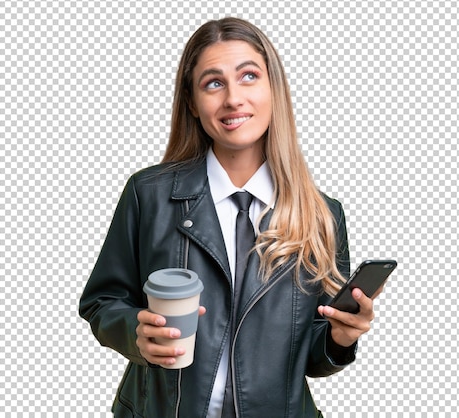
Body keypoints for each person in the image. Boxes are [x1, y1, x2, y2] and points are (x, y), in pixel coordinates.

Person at [79, 17, 383, 418]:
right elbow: (102, 302)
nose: (233, 99)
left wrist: (339, 339)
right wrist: (137, 332)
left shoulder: (323, 216)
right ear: (192, 102)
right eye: (213, 83)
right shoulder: (148, 195)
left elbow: (312, 357)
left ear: (274, 89)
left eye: (249, 76)